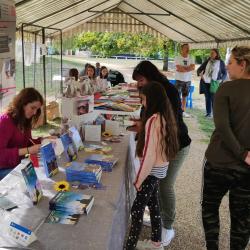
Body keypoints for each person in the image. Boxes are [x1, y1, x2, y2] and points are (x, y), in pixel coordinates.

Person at [131, 61, 191, 246]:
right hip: (164, 146)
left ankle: (168, 227)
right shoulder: (153, 91)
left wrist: (147, 127)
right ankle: (160, 226)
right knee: (157, 187)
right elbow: (148, 116)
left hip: (176, 146)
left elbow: (171, 123)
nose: (138, 84)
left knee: (165, 186)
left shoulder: (167, 92)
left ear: (149, 76)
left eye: (140, 80)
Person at [202, 46, 250, 250]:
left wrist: (242, 153)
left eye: (230, 63)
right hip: (246, 167)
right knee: (242, 217)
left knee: (210, 209)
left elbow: (221, 125)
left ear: (243, 64)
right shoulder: (226, 87)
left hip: (218, 162)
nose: (227, 68)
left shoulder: (226, 88)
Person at [125, 81, 179, 250]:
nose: (142, 103)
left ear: (151, 99)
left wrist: (139, 180)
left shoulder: (153, 120)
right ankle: (157, 243)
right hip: (160, 169)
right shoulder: (164, 116)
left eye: (143, 99)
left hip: (152, 170)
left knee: (136, 208)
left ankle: (130, 246)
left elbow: (149, 155)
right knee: (153, 204)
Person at [0, 88, 44, 179]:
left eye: (37, 109)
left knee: (40, 173)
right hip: (3, 168)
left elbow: (28, 142)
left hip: (16, 165)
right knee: (31, 178)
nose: (35, 112)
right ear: (22, 104)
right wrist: (28, 150)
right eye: (33, 108)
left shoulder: (24, 120)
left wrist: (43, 140)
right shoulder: (5, 121)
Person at [197, 49, 227, 118]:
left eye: (213, 53)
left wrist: (221, 80)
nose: (211, 54)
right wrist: (201, 75)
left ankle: (215, 114)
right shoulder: (207, 61)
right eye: (210, 53)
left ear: (217, 54)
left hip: (214, 83)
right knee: (207, 98)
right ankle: (208, 113)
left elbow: (225, 73)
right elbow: (199, 69)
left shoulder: (220, 62)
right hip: (205, 82)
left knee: (214, 98)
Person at [175, 43, 195, 117]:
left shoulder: (191, 57)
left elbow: (193, 67)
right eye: (186, 48)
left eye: (188, 48)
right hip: (179, 80)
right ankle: (176, 109)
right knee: (177, 96)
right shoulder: (177, 57)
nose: (188, 49)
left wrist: (183, 69)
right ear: (182, 49)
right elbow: (178, 68)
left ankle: (183, 110)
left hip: (188, 80)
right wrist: (188, 68)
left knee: (185, 96)